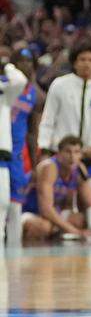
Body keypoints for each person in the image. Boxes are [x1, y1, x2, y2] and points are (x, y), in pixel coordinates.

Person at [37, 41, 91, 217]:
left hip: (90, 155)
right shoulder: (60, 85)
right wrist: (45, 149)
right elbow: (48, 120)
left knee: (90, 198)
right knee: (62, 201)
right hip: (61, 156)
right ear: (74, 62)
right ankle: (65, 231)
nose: (86, 63)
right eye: (82, 59)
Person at [22, 136, 91, 242]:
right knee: (43, 227)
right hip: (29, 213)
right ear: (58, 154)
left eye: (77, 152)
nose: (72, 157)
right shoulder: (49, 167)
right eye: (68, 152)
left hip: (54, 215)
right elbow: (46, 210)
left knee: (82, 220)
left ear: (81, 155)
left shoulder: (79, 170)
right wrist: (75, 232)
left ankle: (58, 233)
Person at [0, 50, 29, 246]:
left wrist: (6, 65)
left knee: (2, 201)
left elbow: (20, 80)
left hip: (2, 155)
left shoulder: (5, 94)